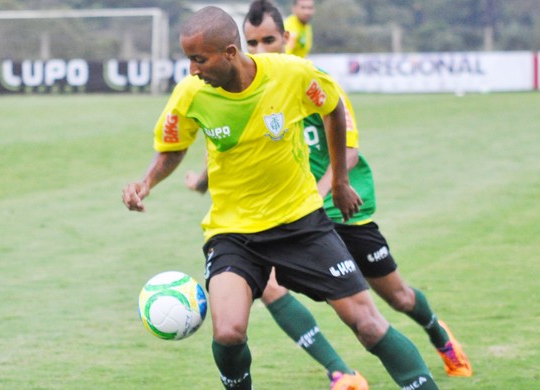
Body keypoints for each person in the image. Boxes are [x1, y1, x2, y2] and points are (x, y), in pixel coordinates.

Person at [123, 6, 438, 390]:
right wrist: (147, 182)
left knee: (370, 326)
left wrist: (339, 180)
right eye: (189, 59)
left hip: (302, 225)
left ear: (229, 52)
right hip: (233, 233)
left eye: (199, 59)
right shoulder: (191, 95)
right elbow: (173, 148)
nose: (192, 70)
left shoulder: (291, 74)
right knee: (228, 332)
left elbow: (333, 109)